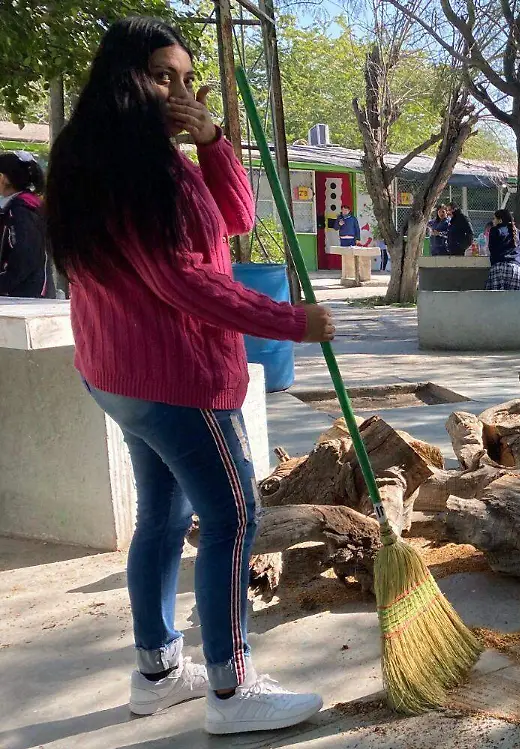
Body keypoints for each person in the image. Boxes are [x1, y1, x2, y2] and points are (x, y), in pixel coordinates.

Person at [44, 17, 330, 735]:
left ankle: (158, 672)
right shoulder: (131, 173)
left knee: (165, 517)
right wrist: (292, 321)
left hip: (120, 376)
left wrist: (212, 140)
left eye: (183, 78)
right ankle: (233, 691)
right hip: (174, 380)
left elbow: (234, 217)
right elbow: (187, 283)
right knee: (233, 515)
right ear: (123, 80)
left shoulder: (115, 157)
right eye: (160, 76)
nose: (176, 91)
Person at [0, 150, 54, 298]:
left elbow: (24, 258)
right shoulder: (24, 208)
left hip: (25, 297)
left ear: (4, 179)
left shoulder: (21, 212)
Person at [486, 208, 520, 290]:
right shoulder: (518, 232)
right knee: (515, 300)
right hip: (516, 270)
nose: (493, 221)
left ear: (500, 220)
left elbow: (491, 248)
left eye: (494, 218)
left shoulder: (495, 230)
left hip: (498, 268)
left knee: (496, 301)